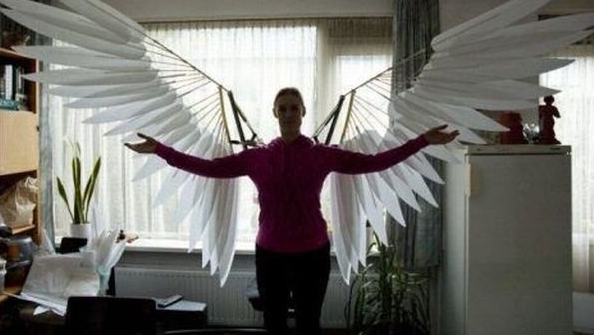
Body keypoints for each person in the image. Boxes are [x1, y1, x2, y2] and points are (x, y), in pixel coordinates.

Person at [125, 87, 458, 335]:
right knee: (274, 325)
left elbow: (375, 163)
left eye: (294, 108)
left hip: (312, 254)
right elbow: (209, 168)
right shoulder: (257, 158)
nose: (288, 113)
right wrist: (161, 150)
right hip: (270, 255)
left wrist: (422, 141)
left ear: (302, 113)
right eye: (282, 108)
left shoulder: (322, 154)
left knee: (309, 323)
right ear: (275, 113)